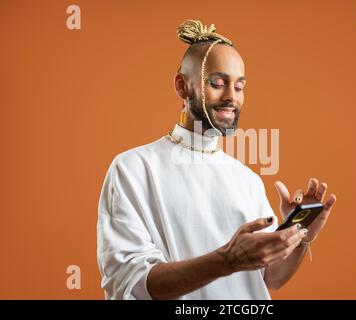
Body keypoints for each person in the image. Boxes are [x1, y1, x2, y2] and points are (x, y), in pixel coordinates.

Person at [97, 19, 337, 300]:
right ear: (181, 86)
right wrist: (227, 260)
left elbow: (271, 277)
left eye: (239, 86)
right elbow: (131, 284)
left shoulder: (247, 179)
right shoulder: (133, 169)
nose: (230, 97)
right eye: (218, 83)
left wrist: (300, 235)